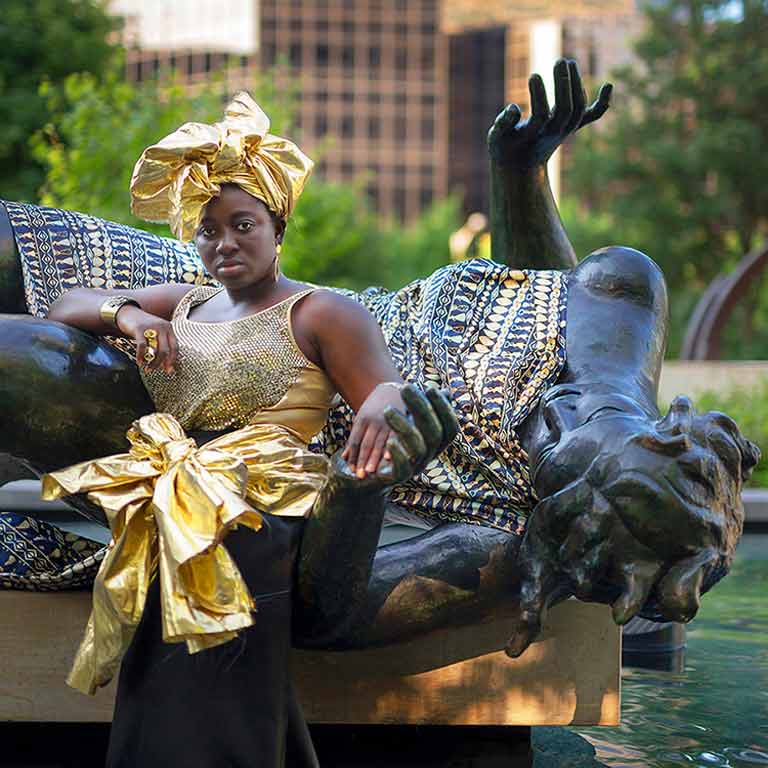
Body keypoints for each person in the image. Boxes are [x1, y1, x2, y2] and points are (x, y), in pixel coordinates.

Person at [39, 92, 452, 768]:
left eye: (242, 224)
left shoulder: (323, 312)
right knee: (171, 555)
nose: (223, 242)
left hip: (267, 501)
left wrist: (385, 397)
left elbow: (388, 388)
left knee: (220, 560)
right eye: (207, 230)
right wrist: (129, 316)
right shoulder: (188, 301)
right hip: (177, 491)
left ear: (277, 226)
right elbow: (64, 306)